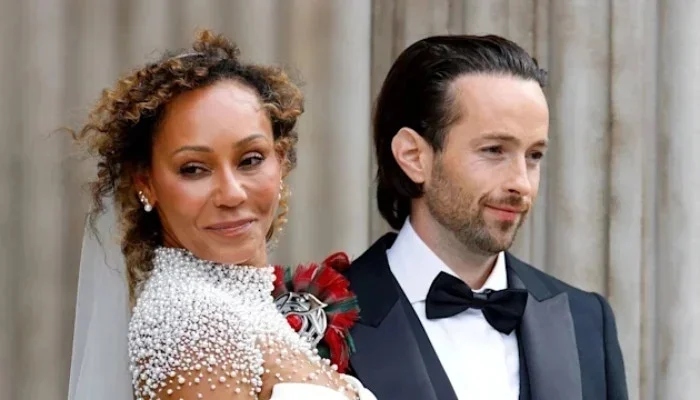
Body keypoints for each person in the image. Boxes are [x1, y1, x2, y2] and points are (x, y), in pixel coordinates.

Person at [67, 30, 376, 400]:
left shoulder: (235, 310)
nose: (231, 193)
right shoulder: (194, 324)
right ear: (146, 182)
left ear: (281, 160)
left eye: (250, 160)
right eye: (194, 169)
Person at [344, 35, 628, 400]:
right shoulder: (320, 323)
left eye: (534, 156)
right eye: (494, 150)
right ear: (414, 156)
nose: (521, 183)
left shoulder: (586, 320)